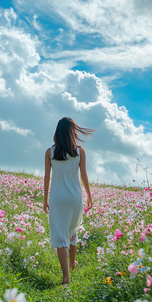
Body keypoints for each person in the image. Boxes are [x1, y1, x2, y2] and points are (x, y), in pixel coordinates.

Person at [44, 117, 95, 285]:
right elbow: (84, 175)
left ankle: (66, 276)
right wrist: (89, 195)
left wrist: (45, 200)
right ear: (72, 133)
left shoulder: (50, 152)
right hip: (75, 197)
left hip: (57, 198)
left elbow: (47, 177)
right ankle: (73, 263)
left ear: (57, 133)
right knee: (72, 231)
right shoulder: (80, 152)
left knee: (60, 237)